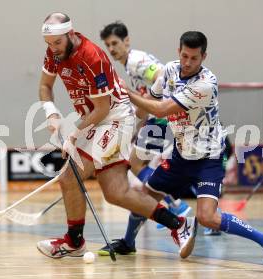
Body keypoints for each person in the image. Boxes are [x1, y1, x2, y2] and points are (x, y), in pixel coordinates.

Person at [35, 12, 196, 259]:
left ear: (69, 34)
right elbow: (45, 86)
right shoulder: (54, 52)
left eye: (57, 43)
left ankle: (74, 242)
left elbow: (102, 109)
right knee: (116, 193)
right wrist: (51, 113)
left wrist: (74, 134)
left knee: (70, 176)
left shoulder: (92, 57)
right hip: (96, 120)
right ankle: (179, 224)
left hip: (115, 118)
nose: (53, 49)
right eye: (49, 44)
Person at [125, 30, 263, 258]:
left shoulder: (205, 84)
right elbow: (148, 103)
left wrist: (126, 91)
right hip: (181, 155)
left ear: (204, 57)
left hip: (208, 158)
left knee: (207, 217)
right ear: (178, 51)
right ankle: (127, 242)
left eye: (194, 58)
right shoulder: (169, 70)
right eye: (184, 56)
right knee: (143, 196)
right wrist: (129, 125)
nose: (188, 62)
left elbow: (161, 109)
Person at [96, 22, 192, 256]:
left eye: (115, 43)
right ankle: (167, 208)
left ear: (126, 41)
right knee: (139, 167)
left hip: (166, 115)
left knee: (136, 164)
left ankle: (175, 203)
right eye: (108, 45)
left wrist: (149, 108)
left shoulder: (136, 61)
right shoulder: (130, 65)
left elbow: (161, 77)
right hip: (162, 115)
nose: (112, 49)